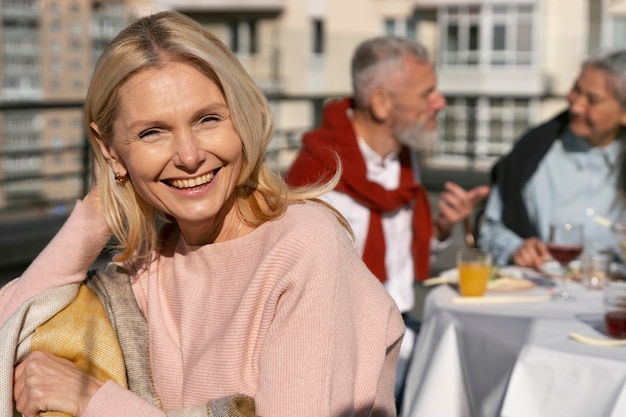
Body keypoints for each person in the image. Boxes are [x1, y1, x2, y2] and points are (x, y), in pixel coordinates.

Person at [0, 11, 405, 417]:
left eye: (208, 119)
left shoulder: (304, 247)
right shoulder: (148, 264)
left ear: (241, 120)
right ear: (110, 150)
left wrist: (96, 402)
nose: (190, 156)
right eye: (151, 132)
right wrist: (98, 207)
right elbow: (9, 330)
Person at [284, 36, 489, 402]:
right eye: (427, 93)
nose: (439, 102)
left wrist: (441, 229)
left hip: (403, 328)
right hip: (342, 352)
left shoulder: (403, 156)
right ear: (381, 103)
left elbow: (397, 255)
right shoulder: (316, 175)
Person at [479, 48, 626, 269]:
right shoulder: (531, 153)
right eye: (576, 89)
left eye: (592, 100)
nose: (576, 105)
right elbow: (489, 229)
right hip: (539, 293)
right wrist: (515, 248)